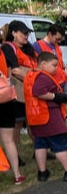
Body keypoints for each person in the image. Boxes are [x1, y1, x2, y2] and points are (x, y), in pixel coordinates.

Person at [25, 52, 67, 182]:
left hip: (36, 117)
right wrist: (55, 96)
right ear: (43, 64)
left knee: (40, 145)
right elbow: (38, 92)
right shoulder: (43, 77)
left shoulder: (30, 75)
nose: (56, 68)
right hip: (49, 117)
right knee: (59, 145)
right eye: (54, 65)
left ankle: (42, 172)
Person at [2, 20, 38, 167]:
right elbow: (15, 71)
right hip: (17, 93)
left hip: (29, 91)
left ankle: (39, 150)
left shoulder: (29, 48)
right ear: (14, 33)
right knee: (17, 123)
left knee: (32, 122)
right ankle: (15, 154)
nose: (26, 35)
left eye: (28, 33)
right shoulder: (8, 47)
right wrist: (35, 81)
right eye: (24, 33)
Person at [0, 24, 25, 185]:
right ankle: (17, 174)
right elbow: (9, 73)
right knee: (8, 139)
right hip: (5, 97)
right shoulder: (3, 52)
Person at [33, 24, 67, 90]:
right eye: (57, 39)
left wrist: (65, 68)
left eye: (60, 39)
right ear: (49, 34)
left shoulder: (56, 45)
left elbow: (59, 59)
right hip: (51, 83)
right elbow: (37, 66)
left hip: (62, 81)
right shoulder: (38, 46)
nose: (59, 41)